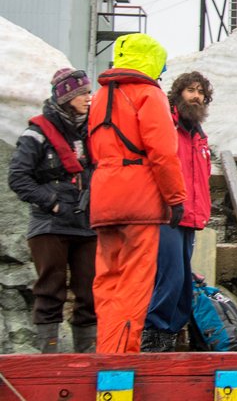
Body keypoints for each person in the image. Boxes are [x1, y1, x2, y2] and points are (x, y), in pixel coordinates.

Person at [88, 33, 187, 353]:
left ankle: (106, 352)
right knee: (134, 283)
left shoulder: (100, 95)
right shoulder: (149, 94)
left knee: (107, 281)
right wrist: (175, 198)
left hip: (104, 198)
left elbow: (93, 149)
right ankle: (121, 363)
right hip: (139, 201)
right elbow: (163, 153)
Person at [8, 68, 97, 353]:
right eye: (83, 92)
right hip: (50, 226)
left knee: (89, 293)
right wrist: (53, 202)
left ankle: (86, 357)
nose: (89, 97)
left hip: (87, 225)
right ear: (66, 95)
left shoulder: (93, 132)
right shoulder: (35, 133)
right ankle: (47, 361)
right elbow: (18, 178)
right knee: (49, 292)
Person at [141, 72, 213, 352]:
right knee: (169, 277)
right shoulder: (168, 125)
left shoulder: (199, 134)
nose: (196, 96)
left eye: (200, 92)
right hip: (167, 212)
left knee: (183, 281)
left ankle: (168, 337)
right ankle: (153, 336)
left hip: (190, 215)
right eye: (190, 90)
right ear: (178, 94)